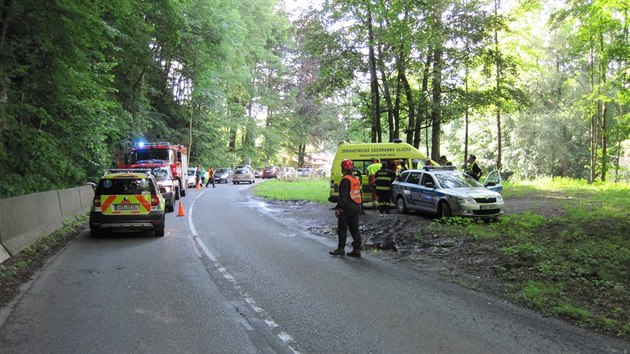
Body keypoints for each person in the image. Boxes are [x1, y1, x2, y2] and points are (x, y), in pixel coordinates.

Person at [329, 159, 363, 258]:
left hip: (348, 207)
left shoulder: (345, 180)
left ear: (343, 168)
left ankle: (341, 248)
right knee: (354, 229)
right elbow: (359, 194)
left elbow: (343, 196)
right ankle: (356, 250)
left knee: (342, 228)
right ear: (351, 167)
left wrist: (339, 208)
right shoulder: (355, 179)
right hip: (357, 206)